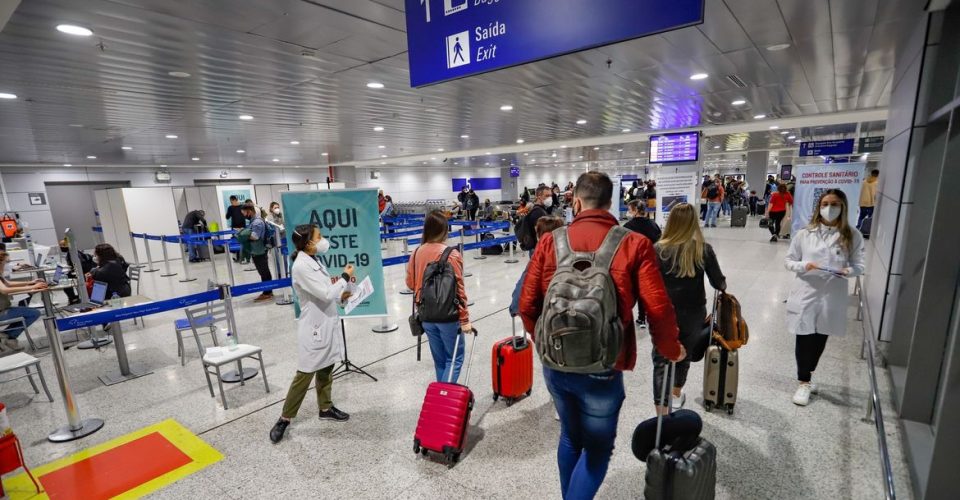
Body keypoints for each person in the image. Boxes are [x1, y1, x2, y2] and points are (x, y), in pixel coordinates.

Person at [518, 171, 684, 499]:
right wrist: (671, 347)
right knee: (597, 449)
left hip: (556, 363)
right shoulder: (634, 243)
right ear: (610, 203)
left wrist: (547, 342)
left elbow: (527, 304)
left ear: (576, 202)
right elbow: (658, 308)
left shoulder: (551, 241)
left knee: (570, 437)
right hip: (603, 364)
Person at [270, 224, 355, 443]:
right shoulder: (301, 266)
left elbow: (324, 293)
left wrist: (341, 296)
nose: (323, 240)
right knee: (305, 373)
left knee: (327, 367)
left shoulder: (314, 260)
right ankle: (284, 418)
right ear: (308, 243)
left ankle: (325, 408)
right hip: (314, 327)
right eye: (319, 237)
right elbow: (325, 293)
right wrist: (344, 277)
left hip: (326, 321)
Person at [784, 189, 865, 406]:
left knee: (820, 337)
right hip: (806, 292)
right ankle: (803, 381)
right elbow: (789, 261)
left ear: (843, 207)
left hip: (832, 294)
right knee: (804, 336)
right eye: (825, 204)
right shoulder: (804, 234)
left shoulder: (852, 235)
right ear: (819, 207)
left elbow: (860, 265)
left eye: (835, 204)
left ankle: (808, 375)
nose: (829, 208)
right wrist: (804, 265)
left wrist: (849, 271)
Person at [653, 203, 726, 413]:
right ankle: (676, 394)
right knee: (685, 353)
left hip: (663, 313)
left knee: (661, 358)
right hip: (693, 311)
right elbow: (719, 284)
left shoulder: (657, 249)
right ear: (693, 223)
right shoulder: (703, 249)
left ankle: (661, 409)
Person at [406, 210, 472, 382]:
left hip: (426, 314)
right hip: (448, 315)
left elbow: (410, 284)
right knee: (454, 359)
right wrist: (464, 319)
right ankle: (444, 394)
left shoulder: (416, 252)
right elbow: (459, 289)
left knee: (440, 360)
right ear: (444, 229)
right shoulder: (452, 254)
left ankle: (440, 395)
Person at [0, 251, 46, 351]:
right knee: (34, 313)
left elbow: (8, 284)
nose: (7, 265)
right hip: (2, 312)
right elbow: (4, 289)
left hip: (4, 309)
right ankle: (7, 336)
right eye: (6, 262)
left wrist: (31, 283)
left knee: (30, 312)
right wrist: (32, 287)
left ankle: (7, 337)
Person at [239, 204, 274, 302]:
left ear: (249, 211)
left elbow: (255, 236)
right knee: (263, 271)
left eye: (244, 213)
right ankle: (267, 291)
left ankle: (267, 293)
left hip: (259, 250)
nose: (244, 215)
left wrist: (242, 234)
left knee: (264, 272)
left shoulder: (257, 222)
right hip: (257, 250)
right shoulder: (254, 221)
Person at [59, 239, 95, 304]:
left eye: (62, 246)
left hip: (82, 273)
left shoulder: (71, 253)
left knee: (65, 279)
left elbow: (80, 265)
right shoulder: (73, 251)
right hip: (81, 271)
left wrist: (72, 270)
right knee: (65, 276)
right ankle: (73, 297)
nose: (61, 248)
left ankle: (72, 298)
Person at [519, 186, 552, 255]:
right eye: (547, 196)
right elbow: (539, 234)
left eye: (550, 195)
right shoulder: (538, 212)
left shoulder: (540, 209)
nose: (550, 198)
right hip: (538, 249)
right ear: (539, 197)